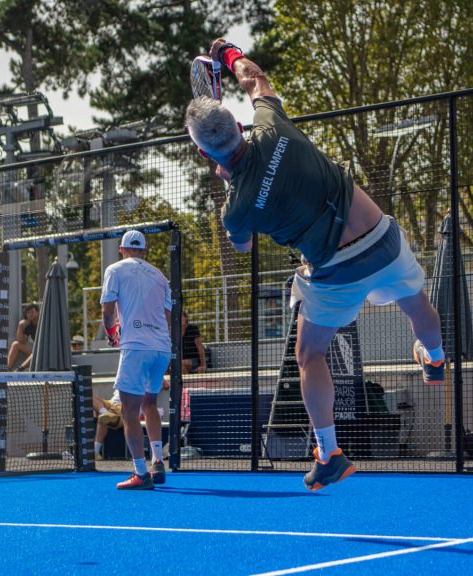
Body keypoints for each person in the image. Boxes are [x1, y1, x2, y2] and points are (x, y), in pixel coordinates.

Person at [186, 39, 445, 490]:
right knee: (414, 300)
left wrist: (230, 184)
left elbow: (242, 244)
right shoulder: (271, 123)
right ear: (241, 128)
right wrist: (228, 53)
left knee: (310, 355)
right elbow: (254, 77)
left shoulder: (236, 209)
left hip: (334, 271)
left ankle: (329, 454)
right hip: (380, 238)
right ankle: (437, 359)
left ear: (208, 154)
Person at [101, 230, 171, 490]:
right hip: (162, 348)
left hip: (136, 347)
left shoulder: (115, 270)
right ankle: (157, 461)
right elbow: (166, 314)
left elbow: (108, 312)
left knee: (129, 411)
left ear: (122, 249)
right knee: (149, 403)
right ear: (144, 250)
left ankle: (141, 474)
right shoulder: (160, 276)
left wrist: (112, 334)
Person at [7, 304, 39, 370]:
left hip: (46, 349)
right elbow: (21, 340)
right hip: (36, 347)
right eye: (28, 313)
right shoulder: (29, 325)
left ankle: (19, 369)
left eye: (32, 312)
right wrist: (20, 326)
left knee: (36, 351)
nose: (30, 314)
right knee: (15, 344)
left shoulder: (43, 322)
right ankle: (8, 370)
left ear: (38, 312)